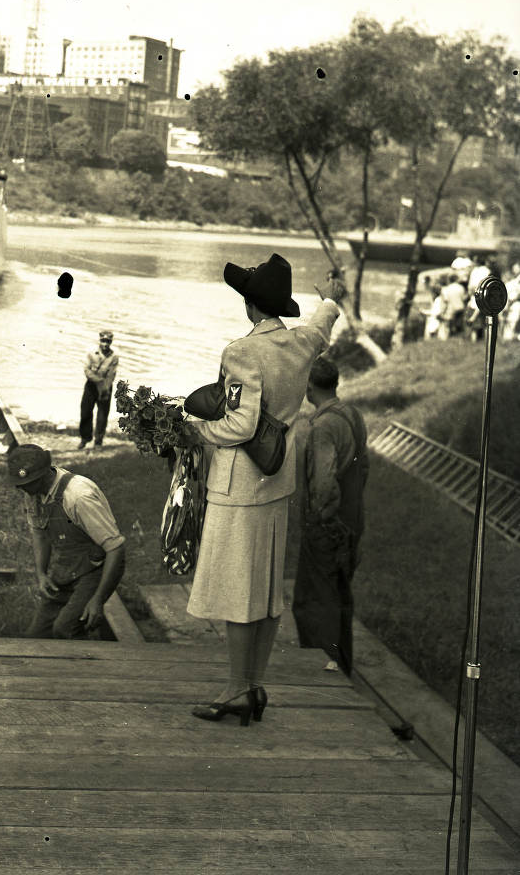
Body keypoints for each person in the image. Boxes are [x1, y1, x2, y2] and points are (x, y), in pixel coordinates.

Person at [184, 253, 346, 727]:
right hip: (276, 484)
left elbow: (239, 424)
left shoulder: (242, 351)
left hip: (239, 488)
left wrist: (194, 430)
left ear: (249, 304)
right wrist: (332, 299)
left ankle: (236, 689)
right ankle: (254, 685)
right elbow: (321, 327)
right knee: (267, 587)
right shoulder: (300, 345)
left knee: (239, 588)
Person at [292, 356, 369, 677]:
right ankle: (342, 667)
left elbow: (323, 483)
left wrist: (318, 519)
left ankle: (323, 674)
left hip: (328, 526)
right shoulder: (352, 414)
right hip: (352, 521)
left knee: (313, 601)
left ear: (309, 387)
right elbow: (361, 468)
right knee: (339, 597)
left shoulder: (323, 426)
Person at [8, 443, 126, 639]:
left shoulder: (79, 497)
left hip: (95, 569)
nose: (23, 489)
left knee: (65, 629)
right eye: (20, 484)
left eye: (29, 483)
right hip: (67, 567)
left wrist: (97, 600)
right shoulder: (33, 492)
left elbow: (116, 549)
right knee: (36, 636)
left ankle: (91, 667)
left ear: (45, 474)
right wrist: (41, 574)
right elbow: (40, 534)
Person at [79, 330, 118, 449]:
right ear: (99, 340)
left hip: (105, 387)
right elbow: (87, 370)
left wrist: (104, 387)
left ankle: (98, 441)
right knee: (85, 412)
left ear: (111, 342)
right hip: (91, 386)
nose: (105, 344)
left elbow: (112, 374)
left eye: (108, 341)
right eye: (103, 341)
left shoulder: (114, 357)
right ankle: (85, 438)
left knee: (102, 415)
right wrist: (98, 381)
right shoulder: (91, 353)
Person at [437, 274, 466, 339]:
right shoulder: (461, 287)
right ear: (456, 279)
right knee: (460, 326)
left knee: (450, 326)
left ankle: (450, 339)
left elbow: (445, 300)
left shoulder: (447, 288)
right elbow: (464, 298)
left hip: (452, 309)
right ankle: (460, 339)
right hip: (461, 307)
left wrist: (442, 311)